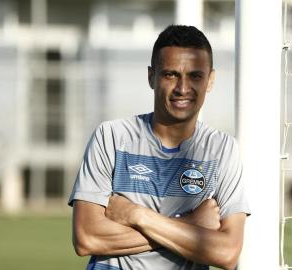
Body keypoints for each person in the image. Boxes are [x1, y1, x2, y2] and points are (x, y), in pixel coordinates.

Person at [69, 25, 250, 270]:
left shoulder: (222, 149)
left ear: (210, 80)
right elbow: (87, 238)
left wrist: (136, 215)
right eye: (171, 74)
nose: (182, 88)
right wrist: (192, 225)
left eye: (195, 76)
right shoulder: (111, 137)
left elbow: (226, 253)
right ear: (151, 77)